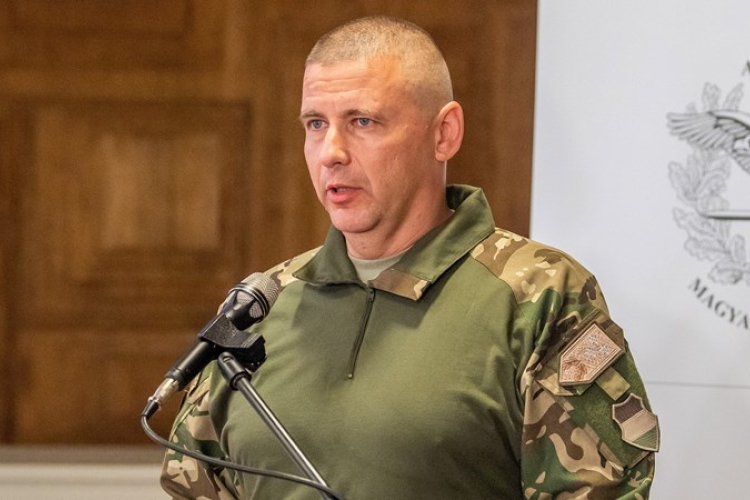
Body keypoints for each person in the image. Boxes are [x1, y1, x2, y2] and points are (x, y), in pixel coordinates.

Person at [160, 16, 658, 499]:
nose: (331, 151)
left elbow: (599, 490)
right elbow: (194, 480)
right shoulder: (264, 302)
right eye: (315, 124)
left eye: (362, 121)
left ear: (444, 133)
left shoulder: (539, 294)